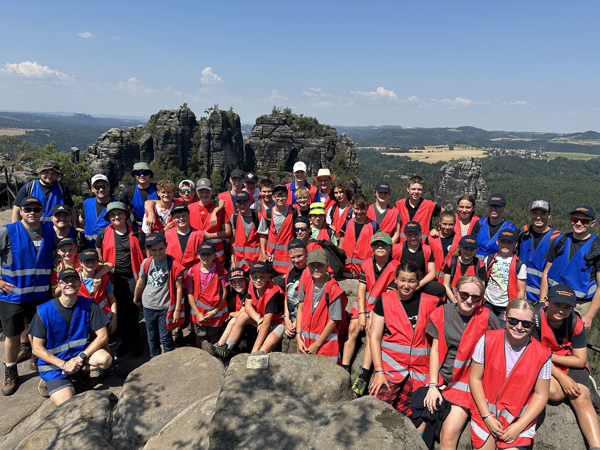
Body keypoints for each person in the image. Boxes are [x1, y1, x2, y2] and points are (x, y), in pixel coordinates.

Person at [421, 276, 500, 450]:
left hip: (466, 383)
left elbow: (503, 346)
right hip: (443, 378)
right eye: (464, 294)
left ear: (482, 300)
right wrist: (433, 385)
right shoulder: (442, 312)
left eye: (475, 298)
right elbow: (434, 351)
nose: (469, 300)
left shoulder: (488, 317)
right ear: (455, 293)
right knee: (421, 425)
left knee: (447, 436)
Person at [469, 299, 551, 450]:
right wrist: (487, 416)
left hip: (518, 421)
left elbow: (541, 395)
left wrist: (518, 427)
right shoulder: (487, 339)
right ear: (505, 317)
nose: (519, 327)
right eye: (513, 320)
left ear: (532, 324)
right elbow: (475, 378)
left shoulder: (543, 355)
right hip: (485, 415)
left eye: (526, 324)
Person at [28, 268, 112, 405]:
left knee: (106, 359)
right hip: (54, 365)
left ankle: (76, 372)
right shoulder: (44, 310)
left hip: (78, 356)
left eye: (73, 280)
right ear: (59, 285)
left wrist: (80, 358)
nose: (70, 284)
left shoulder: (89, 304)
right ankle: (51, 380)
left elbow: (103, 335)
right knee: (68, 404)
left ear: (79, 283)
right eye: (65, 281)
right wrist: (63, 365)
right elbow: (36, 348)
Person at [531, 284, 600, 450]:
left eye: (567, 307)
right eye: (557, 305)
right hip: (539, 363)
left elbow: (579, 360)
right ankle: (585, 385)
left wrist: (547, 356)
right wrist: (563, 378)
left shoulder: (575, 322)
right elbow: (531, 355)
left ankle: (595, 446)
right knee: (553, 393)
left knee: (580, 395)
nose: (561, 310)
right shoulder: (533, 318)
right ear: (546, 301)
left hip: (566, 361)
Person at [368, 262, 439, 418]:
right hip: (389, 369)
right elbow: (374, 337)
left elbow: (437, 341)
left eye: (411, 281)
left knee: (408, 417)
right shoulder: (385, 300)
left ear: (418, 282)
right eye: (402, 280)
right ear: (395, 279)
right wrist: (378, 371)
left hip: (418, 372)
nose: (406, 285)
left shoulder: (431, 302)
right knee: (375, 412)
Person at [0, 196, 55, 396]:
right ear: (21, 211)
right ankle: (11, 369)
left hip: (40, 295)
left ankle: (39, 360)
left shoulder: (49, 231)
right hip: (12, 295)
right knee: (12, 335)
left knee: (39, 332)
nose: (32, 212)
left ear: (42, 211)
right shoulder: (8, 231)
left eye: (36, 209)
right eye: (27, 209)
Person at [344, 232, 398, 398]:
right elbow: (361, 289)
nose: (380, 248)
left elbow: (387, 297)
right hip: (364, 304)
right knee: (352, 327)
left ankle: (363, 376)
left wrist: (370, 317)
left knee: (371, 333)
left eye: (384, 245)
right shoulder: (367, 263)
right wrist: (362, 313)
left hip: (382, 308)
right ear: (372, 247)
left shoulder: (396, 267)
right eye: (377, 245)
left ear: (390, 247)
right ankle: (344, 370)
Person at [96, 201, 145, 358]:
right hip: (113, 278)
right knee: (119, 311)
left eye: (119, 213)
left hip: (133, 277)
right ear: (109, 217)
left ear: (125, 215)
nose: (116, 216)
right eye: (112, 214)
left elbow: (145, 254)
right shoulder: (103, 234)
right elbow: (99, 254)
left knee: (132, 310)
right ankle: (125, 341)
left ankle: (134, 341)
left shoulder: (136, 231)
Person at [541, 205, 600, 330]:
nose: (578, 223)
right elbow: (546, 273)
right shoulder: (559, 241)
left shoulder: (596, 248)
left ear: (593, 223)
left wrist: (589, 317)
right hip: (554, 301)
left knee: (573, 343)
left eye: (584, 221)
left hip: (579, 305)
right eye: (575, 220)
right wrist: (541, 303)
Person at [133, 233, 185, 358]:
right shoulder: (146, 263)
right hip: (148, 306)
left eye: (161, 249)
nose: (158, 252)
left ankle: (168, 362)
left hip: (165, 308)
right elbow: (141, 282)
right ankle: (154, 361)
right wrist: (135, 298)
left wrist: (177, 309)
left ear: (166, 246)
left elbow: (179, 288)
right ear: (148, 250)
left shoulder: (173, 264)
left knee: (165, 337)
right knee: (152, 337)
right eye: (154, 250)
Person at [296, 249, 347, 363]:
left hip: (325, 347)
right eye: (312, 265)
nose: (316, 268)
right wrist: (298, 336)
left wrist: (316, 345)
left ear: (327, 265)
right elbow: (300, 309)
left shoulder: (334, 289)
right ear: (308, 266)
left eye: (320, 265)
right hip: (304, 343)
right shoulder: (306, 283)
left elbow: (333, 320)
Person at [517, 200, 562, 302]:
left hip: (542, 298)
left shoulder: (557, 238)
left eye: (542, 214)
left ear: (549, 215)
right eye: (535, 213)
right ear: (530, 214)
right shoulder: (523, 232)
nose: (538, 217)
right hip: (519, 295)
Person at [186, 242, 229, 348]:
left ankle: (214, 358)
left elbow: (224, 294)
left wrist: (215, 311)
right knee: (200, 336)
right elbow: (190, 294)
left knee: (214, 335)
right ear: (198, 255)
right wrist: (197, 312)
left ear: (214, 255)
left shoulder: (221, 271)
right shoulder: (192, 271)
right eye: (203, 254)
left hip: (214, 312)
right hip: (199, 312)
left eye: (209, 254)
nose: (206, 257)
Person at [207, 268, 253, 361]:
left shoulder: (249, 292)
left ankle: (223, 348)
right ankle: (219, 347)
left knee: (233, 320)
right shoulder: (237, 293)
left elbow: (242, 313)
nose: (238, 284)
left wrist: (231, 313)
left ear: (247, 281)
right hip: (244, 321)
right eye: (234, 282)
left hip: (255, 321)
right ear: (231, 284)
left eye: (241, 281)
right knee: (232, 321)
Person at [12, 160, 76, 226]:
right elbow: (16, 210)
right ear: (40, 172)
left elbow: (71, 209)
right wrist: (15, 229)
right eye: (46, 172)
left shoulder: (62, 188)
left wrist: (75, 226)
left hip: (56, 231)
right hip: (33, 230)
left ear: (57, 175)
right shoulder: (29, 187)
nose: (49, 176)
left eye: (53, 173)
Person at [484, 229, 527, 327]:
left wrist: (515, 310)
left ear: (515, 244)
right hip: (488, 303)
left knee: (502, 331)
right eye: (503, 241)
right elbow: (483, 281)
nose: (506, 245)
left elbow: (521, 291)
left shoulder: (519, 264)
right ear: (497, 242)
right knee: (484, 329)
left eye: (509, 242)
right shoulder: (489, 259)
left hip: (506, 306)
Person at [188, 178, 231, 265]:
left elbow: (228, 231)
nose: (204, 195)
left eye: (207, 192)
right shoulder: (189, 208)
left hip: (217, 255)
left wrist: (210, 236)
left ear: (212, 191)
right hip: (196, 254)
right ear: (196, 192)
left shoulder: (219, 209)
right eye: (201, 192)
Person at [392, 221, 441, 295]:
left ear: (421, 234)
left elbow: (432, 273)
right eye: (410, 235)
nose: (413, 238)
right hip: (402, 283)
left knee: (439, 289)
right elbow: (392, 270)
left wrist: (418, 285)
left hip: (419, 283)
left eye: (416, 234)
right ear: (405, 235)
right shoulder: (396, 248)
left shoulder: (427, 249)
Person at [245, 261, 285, 353]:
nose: (258, 280)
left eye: (262, 277)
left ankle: (256, 357)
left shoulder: (273, 292)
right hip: (262, 317)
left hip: (278, 321)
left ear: (268, 276)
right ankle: (224, 347)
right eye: (255, 277)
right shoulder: (252, 284)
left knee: (271, 340)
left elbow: (266, 324)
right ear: (250, 277)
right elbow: (247, 307)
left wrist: (254, 350)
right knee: (240, 317)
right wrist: (259, 320)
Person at [257, 184, 297, 274]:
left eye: (283, 196)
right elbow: (263, 234)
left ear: (287, 197)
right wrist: (263, 252)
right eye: (278, 196)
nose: (280, 199)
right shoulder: (267, 214)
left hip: (288, 257)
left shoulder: (294, 212)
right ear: (273, 197)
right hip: (271, 258)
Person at [78, 249, 117, 334]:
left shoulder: (104, 278)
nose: (90, 264)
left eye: (93, 261)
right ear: (80, 263)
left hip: (104, 320)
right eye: (86, 261)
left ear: (98, 262)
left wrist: (114, 319)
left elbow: (112, 300)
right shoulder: (74, 279)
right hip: (82, 322)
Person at [339, 193, 378, 279]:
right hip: (347, 269)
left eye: (362, 209)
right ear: (352, 208)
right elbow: (340, 247)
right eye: (357, 208)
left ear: (367, 207)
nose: (359, 212)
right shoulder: (347, 224)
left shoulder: (374, 226)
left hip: (365, 270)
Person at [282, 239, 310, 355]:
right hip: (290, 319)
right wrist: (286, 317)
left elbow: (308, 301)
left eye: (300, 256)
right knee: (285, 348)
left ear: (306, 253)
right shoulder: (290, 269)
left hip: (302, 322)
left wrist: (296, 322)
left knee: (295, 352)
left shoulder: (309, 271)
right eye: (293, 257)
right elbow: (286, 295)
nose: (296, 260)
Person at [396, 176, 442, 241]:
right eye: (413, 189)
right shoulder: (399, 204)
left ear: (422, 190)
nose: (416, 192)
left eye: (419, 189)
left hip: (423, 247)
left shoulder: (430, 205)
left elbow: (446, 216)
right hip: (402, 247)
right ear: (408, 189)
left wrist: (437, 229)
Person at [471, 194, 516, 261]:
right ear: (487, 207)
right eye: (491, 206)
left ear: (504, 208)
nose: (494, 209)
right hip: (476, 265)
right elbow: (471, 244)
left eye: (498, 206)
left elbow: (513, 253)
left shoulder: (511, 229)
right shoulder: (480, 223)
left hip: (496, 268)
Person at [443, 235, 487, 302]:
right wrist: (454, 300)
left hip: (471, 301)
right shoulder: (451, 262)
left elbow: (481, 287)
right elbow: (446, 285)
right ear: (460, 248)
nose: (468, 252)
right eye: (466, 248)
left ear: (475, 250)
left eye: (471, 249)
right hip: (453, 299)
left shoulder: (480, 265)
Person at [80, 174, 117, 248]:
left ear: (108, 188)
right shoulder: (87, 203)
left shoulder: (117, 205)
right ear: (92, 189)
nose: (101, 189)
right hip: (88, 247)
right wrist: (75, 226)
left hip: (107, 247)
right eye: (97, 187)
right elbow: (82, 220)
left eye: (104, 186)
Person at [164, 204, 204, 270]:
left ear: (189, 217)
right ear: (173, 219)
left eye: (184, 215)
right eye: (177, 216)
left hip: (193, 273)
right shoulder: (167, 234)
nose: (181, 218)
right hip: (172, 272)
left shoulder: (200, 234)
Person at [425, 211, 461, 282]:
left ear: (455, 223)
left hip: (450, 281)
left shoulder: (459, 240)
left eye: (451, 224)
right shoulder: (431, 238)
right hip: (431, 280)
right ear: (439, 222)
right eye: (444, 224)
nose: (447, 227)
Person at [120, 162, 158, 226]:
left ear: (149, 174)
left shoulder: (158, 189)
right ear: (135, 175)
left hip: (158, 226)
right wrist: (130, 225)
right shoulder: (128, 192)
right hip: (138, 228)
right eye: (139, 173)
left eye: (145, 173)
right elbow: (122, 210)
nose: (142, 175)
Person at [230, 191, 261, 271]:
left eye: (245, 202)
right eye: (239, 203)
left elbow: (264, 238)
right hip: (240, 263)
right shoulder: (234, 217)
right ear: (236, 203)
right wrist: (233, 260)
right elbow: (233, 241)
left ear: (249, 202)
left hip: (256, 262)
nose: (242, 205)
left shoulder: (258, 216)